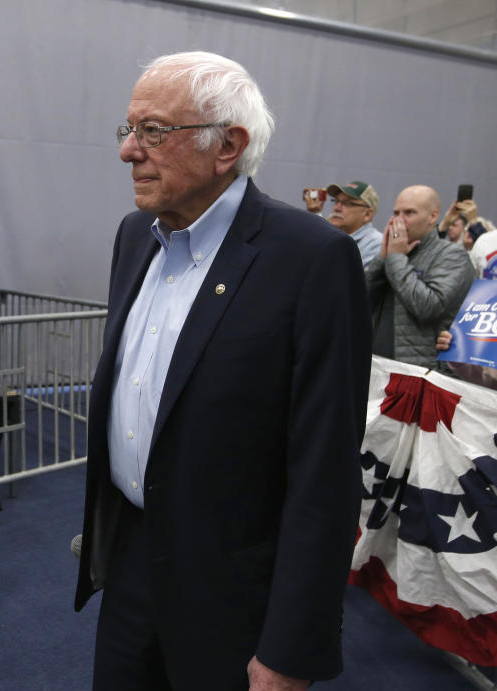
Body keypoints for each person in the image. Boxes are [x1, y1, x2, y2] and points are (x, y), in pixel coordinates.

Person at [74, 51, 372, 690]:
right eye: (127, 129)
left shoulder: (312, 260)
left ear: (227, 146)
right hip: (130, 563)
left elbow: (326, 471)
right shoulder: (135, 237)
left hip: (234, 598)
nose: (129, 151)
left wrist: (292, 647)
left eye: (153, 131)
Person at [366, 185, 475, 369]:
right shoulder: (394, 253)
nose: (399, 221)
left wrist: (396, 258)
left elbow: (428, 307)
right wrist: (381, 259)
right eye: (396, 213)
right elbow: (361, 301)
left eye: (409, 213)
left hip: (421, 372)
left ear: (432, 216)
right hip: (377, 366)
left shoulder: (452, 255)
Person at [325, 180, 382, 267]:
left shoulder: (376, 244)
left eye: (347, 203)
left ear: (367, 214)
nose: (336, 208)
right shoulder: (331, 236)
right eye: (336, 201)